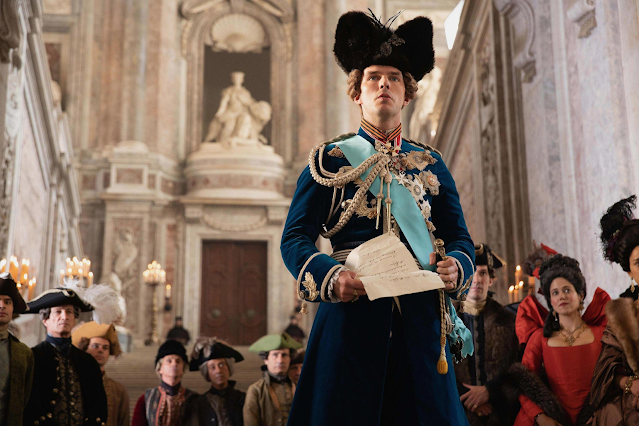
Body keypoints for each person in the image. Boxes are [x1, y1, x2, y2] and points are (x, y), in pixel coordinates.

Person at [280, 10, 475, 426]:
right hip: (350, 313)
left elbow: (459, 237)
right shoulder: (329, 161)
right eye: (373, 77)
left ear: (407, 94)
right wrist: (331, 276)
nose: (384, 83)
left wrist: (457, 265)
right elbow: (294, 237)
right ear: (357, 93)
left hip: (421, 323)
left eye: (394, 78)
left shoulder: (432, 164)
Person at [513, 255, 610, 426]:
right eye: (555, 293)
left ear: (580, 295)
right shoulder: (539, 338)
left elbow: (613, 378)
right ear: (550, 301)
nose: (561, 297)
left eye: (567, 290)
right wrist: (540, 417)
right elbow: (523, 384)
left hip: (598, 419)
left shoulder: (601, 334)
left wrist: (600, 415)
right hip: (551, 420)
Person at [587, 195, 639, 424]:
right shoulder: (623, 314)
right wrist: (631, 385)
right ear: (629, 272)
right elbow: (606, 372)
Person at [454, 244, 519, 425]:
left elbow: (518, 368)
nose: (476, 279)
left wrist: (490, 391)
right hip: (458, 413)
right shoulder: (446, 321)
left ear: (491, 279)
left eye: (483, 273)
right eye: (472, 273)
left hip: (500, 414)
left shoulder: (509, 321)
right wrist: (469, 399)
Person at [23, 288, 108, 426]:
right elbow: (30, 404)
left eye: (69, 312)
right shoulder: (33, 357)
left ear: (74, 318)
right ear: (45, 320)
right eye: (58, 312)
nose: (64, 317)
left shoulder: (88, 361)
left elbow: (99, 405)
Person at [72, 321, 129, 426]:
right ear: (85, 349)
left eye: (105, 348)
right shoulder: (73, 383)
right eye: (95, 346)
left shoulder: (118, 390)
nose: (101, 350)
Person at [132, 340, 195, 426]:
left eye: (178, 361)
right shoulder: (146, 399)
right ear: (160, 368)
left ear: (183, 368)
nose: (174, 364)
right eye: (169, 361)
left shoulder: (193, 399)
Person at [244, 333, 302, 426]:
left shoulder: (299, 387)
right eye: (275, 355)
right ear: (266, 359)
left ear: (289, 359)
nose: (280, 360)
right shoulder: (256, 390)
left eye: (284, 355)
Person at [186, 337, 246, 426]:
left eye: (221, 365)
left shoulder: (242, 398)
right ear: (207, 373)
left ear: (228, 368)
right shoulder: (200, 403)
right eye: (212, 367)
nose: (218, 371)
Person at [0, 272, 33, 426]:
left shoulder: (23, 353)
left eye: (7, 302)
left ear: (13, 309)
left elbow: (23, 398)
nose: (2, 306)